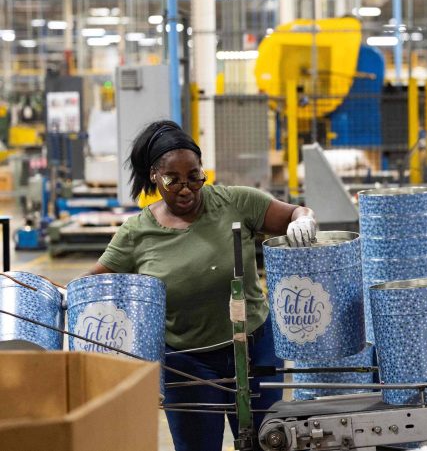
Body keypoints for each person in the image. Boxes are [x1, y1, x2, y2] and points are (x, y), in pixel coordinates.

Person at [88, 120, 317, 451]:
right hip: (187, 362)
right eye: (174, 180)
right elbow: (93, 287)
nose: (186, 189)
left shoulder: (236, 202)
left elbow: (296, 212)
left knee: (270, 442)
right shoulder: (136, 234)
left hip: (255, 349)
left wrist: (304, 220)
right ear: (154, 176)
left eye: (195, 177)